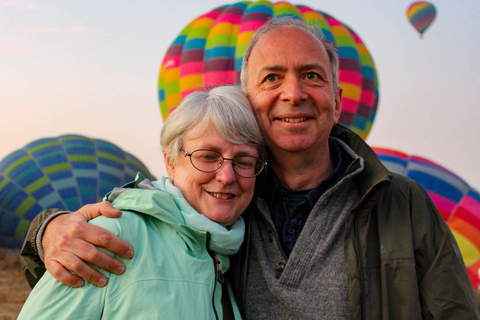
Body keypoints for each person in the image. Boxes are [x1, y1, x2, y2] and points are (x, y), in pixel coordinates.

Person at [20, 17, 480, 319]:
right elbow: (148, 220)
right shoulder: (226, 201)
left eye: (313, 76)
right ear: (249, 101)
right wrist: (48, 229)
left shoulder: (401, 203)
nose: (294, 93)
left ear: (339, 102)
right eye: (272, 78)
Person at [17, 85, 266, 319]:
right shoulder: (108, 238)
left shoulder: (234, 253)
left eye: (244, 161)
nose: (226, 176)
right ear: (170, 161)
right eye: (208, 157)